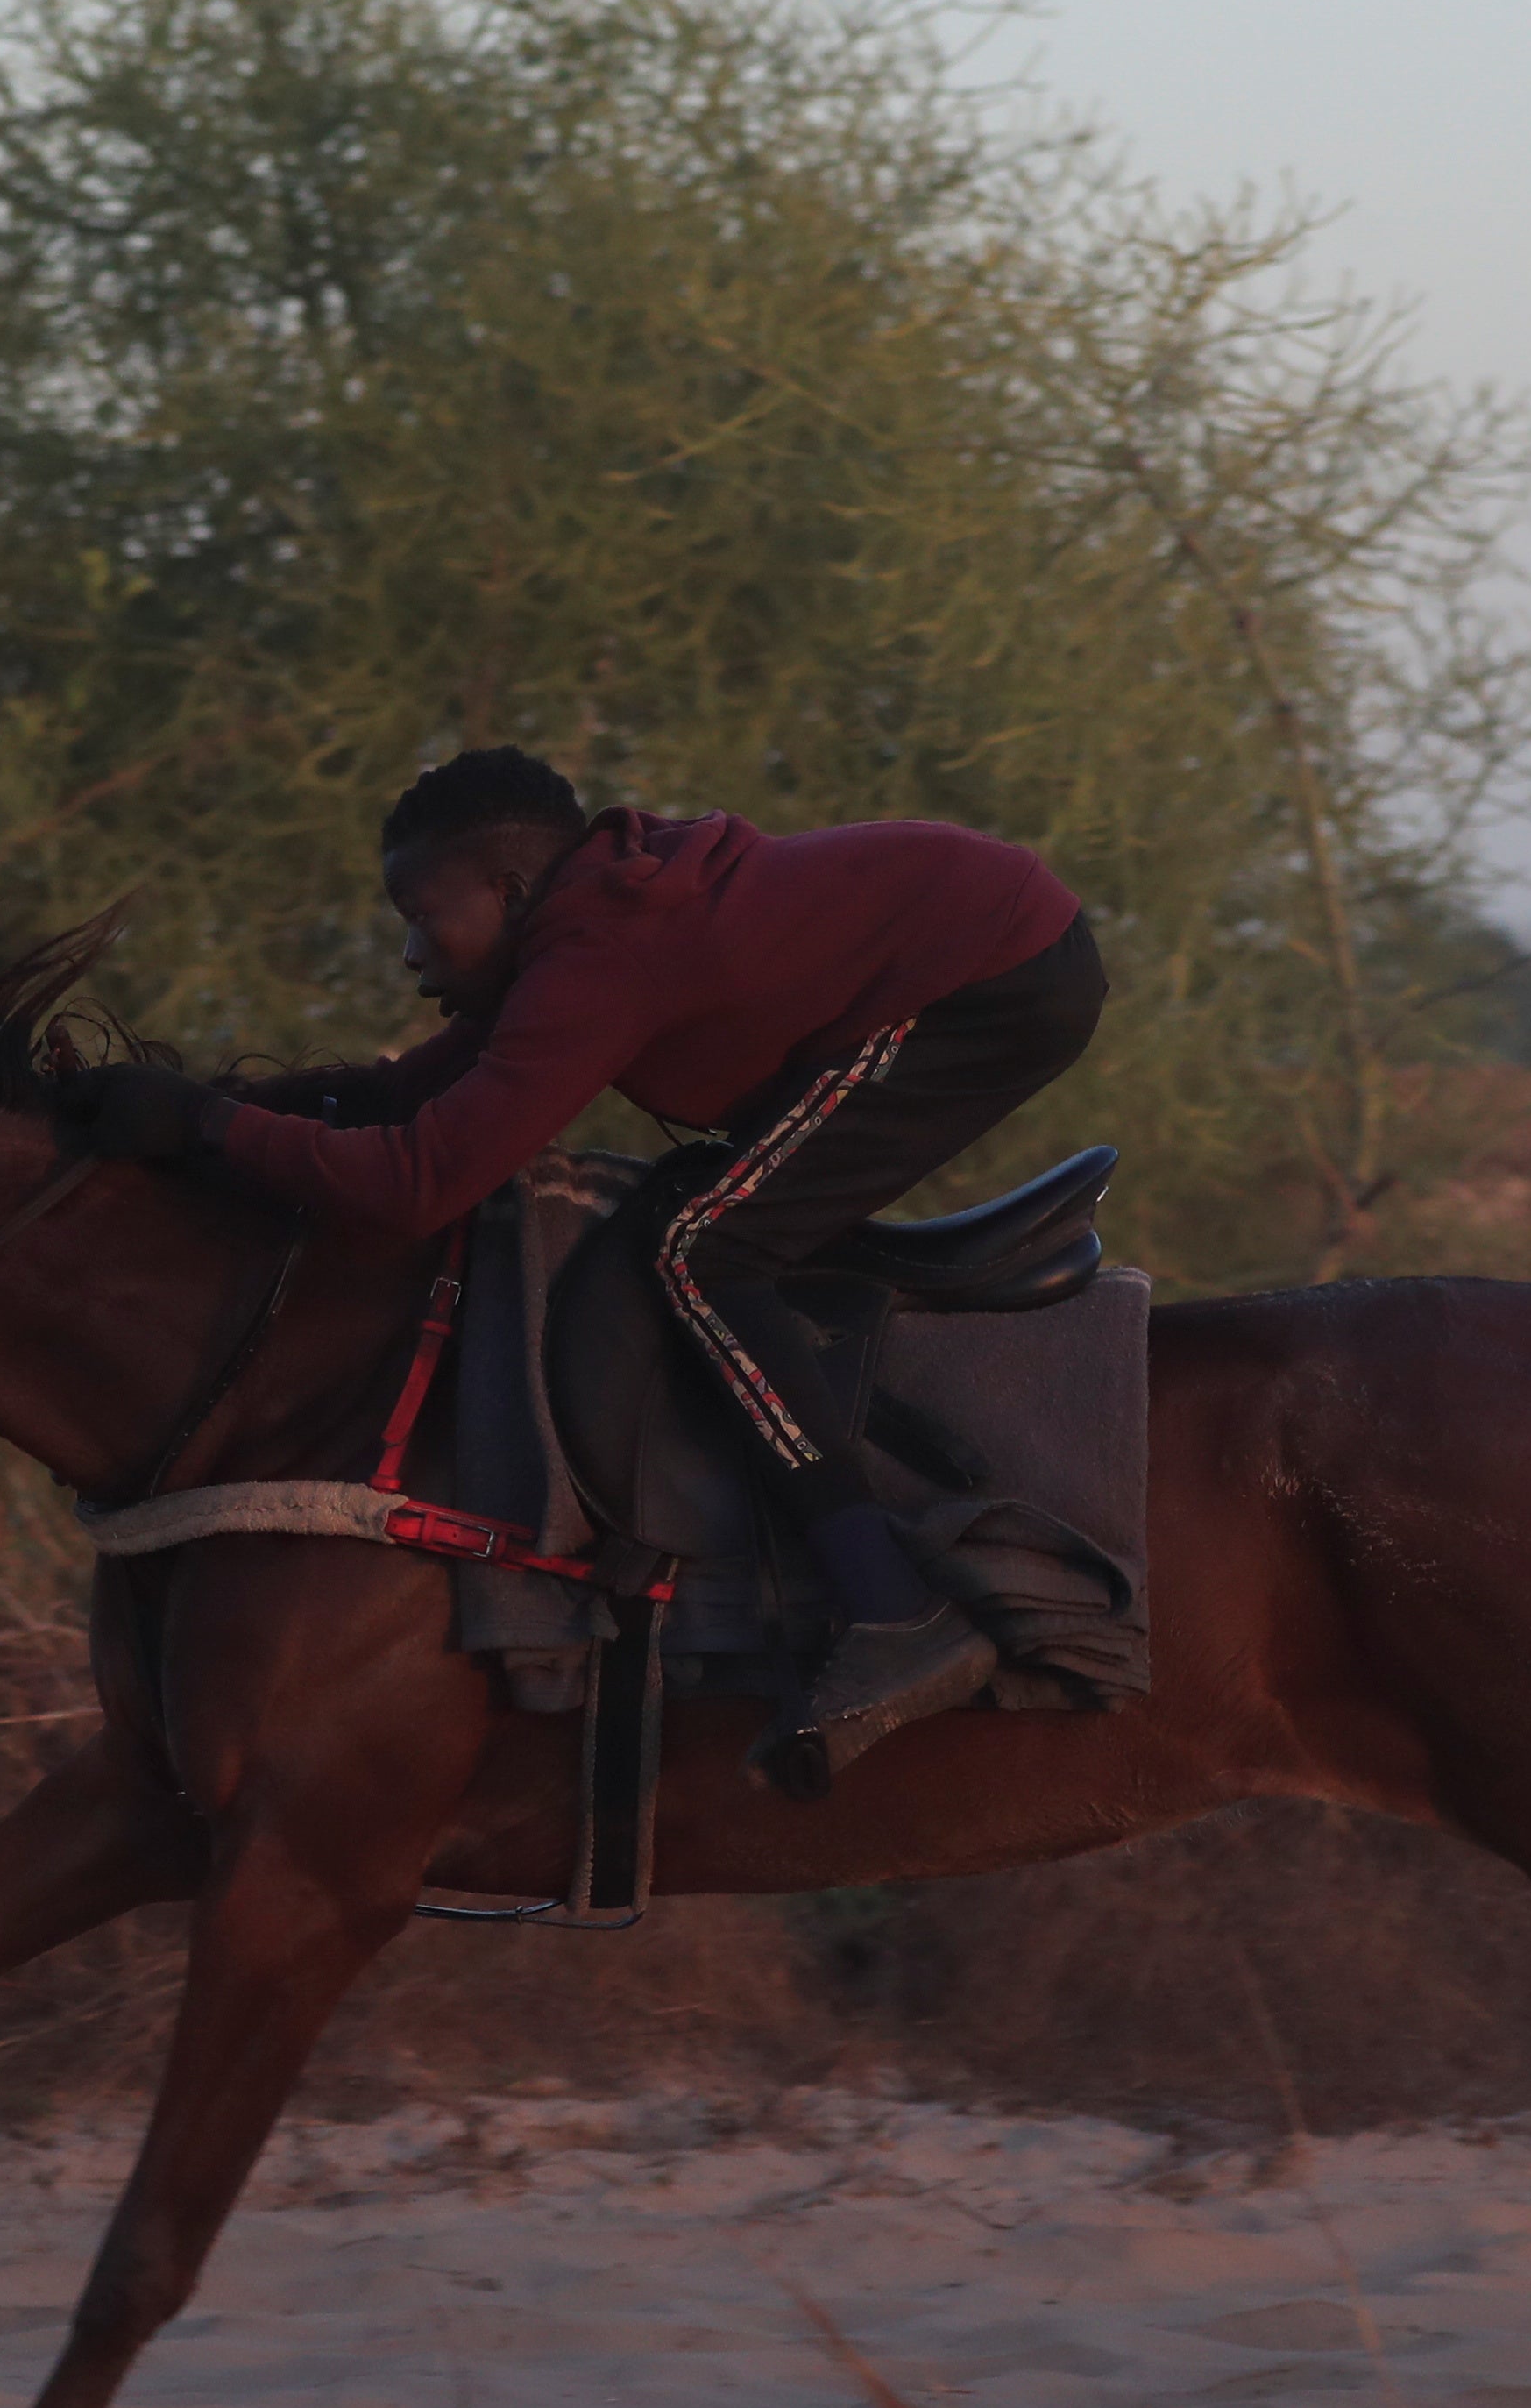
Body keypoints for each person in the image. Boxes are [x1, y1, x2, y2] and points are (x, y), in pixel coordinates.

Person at [54, 748, 1107, 1775]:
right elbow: (415, 1092)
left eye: (423, 921)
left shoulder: (604, 950)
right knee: (705, 1225)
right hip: (975, 942)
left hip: (993, 976)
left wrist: (205, 1129)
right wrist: (211, 1112)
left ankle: (893, 1605)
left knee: (702, 1253)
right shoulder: (577, 924)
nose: (414, 958)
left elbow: (419, 1182)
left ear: (509, 892)